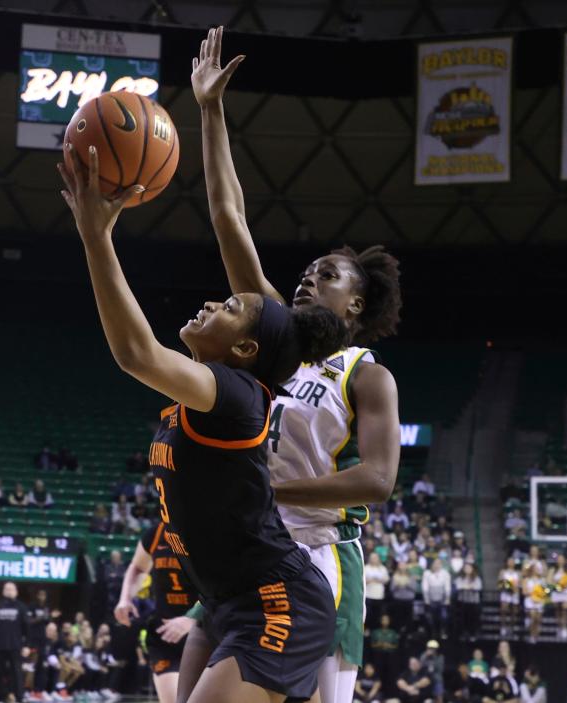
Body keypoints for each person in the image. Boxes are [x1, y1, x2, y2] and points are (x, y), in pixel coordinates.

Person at [59, 116, 344, 703]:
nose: (213, 301)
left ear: (244, 349)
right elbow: (226, 213)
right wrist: (209, 109)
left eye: (230, 307)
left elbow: (137, 352)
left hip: (274, 599)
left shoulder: (238, 396)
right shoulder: (211, 393)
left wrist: (96, 237)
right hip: (230, 599)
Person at [189, 25, 402, 703]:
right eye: (307, 270)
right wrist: (210, 112)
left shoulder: (366, 374)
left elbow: (377, 477)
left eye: (328, 274)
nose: (308, 278)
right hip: (250, 548)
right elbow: (229, 217)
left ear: (358, 300)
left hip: (318, 555)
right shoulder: (275, 334)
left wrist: (273, 493)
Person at [115, 522, 199, 703]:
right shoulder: (157, 532)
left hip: (205, 633)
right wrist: (125, 598)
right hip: (165, 635)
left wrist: (191, 619)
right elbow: (138, 567)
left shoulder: (209, 532)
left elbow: (222, 590)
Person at [0, 582, 28, 703]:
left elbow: (27, 628)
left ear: (16, 592)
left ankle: (19, 697)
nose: (9, 591)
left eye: (12, 589)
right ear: (3, 591)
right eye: (7, 589)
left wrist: (27, 646)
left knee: (17, 673)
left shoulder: (22, 607)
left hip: (16, 646)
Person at [422, 558, 452, 638]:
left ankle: (443, 631)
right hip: (431, 598)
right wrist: (426, 599)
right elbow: (425, 587)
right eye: (435, 563)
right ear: (432, 564)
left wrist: (447, 598)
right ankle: (432, 632)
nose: (436, 565)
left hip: (442, 598)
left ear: (441, 565)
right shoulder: (427, 573)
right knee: (430, 617)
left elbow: (447, 587)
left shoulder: (445, 573)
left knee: (444, 616)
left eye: (438, 563)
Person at [547, 553, 567, 638]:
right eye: (559, 559)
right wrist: (556, 585)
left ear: (565, 561)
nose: (560, 561)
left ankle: (565, 627)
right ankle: (559, 627)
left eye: (562, 559)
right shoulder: (553, 570)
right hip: (556, 592)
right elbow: (549, 581)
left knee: (565, 609)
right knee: (558, 610)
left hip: (565, 592)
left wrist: (565, 584)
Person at [455, 563, 482, 640]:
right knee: (464, 619)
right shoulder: (460, 578)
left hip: (473, 602)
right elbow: (458, 586)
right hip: (463, 602)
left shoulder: (477, 578)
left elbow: (478, 587)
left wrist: (466, 587)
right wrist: (469, 587)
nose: (467, 569)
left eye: (469, 568)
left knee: (473, 618)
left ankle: (473, 634)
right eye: (465, 568)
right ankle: (464, 633)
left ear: (472, 569)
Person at [364, 552, 389, 630]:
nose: (374, 559)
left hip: (379, 596)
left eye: (375, 557)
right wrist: (370, 580)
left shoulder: (382, 568)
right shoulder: (366, 568)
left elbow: (387, 579)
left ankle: (375, 631)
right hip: (368, 595)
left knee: (377, 616)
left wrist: (377, 580)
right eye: (372, 557)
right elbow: (362, 580)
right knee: (368, 615)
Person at [497, 558, 521, 638]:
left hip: (514, 593)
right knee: (504, 609)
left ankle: (512, 627)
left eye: (512, 561)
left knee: (514, 611)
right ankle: (503, 627)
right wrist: (506, 587)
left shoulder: (518, 573)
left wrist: (515, 588)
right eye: (509, 561)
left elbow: (520, 584)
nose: (511, 563)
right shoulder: (503, 572)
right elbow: (499, 583)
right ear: (507, 562)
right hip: (505, 593)